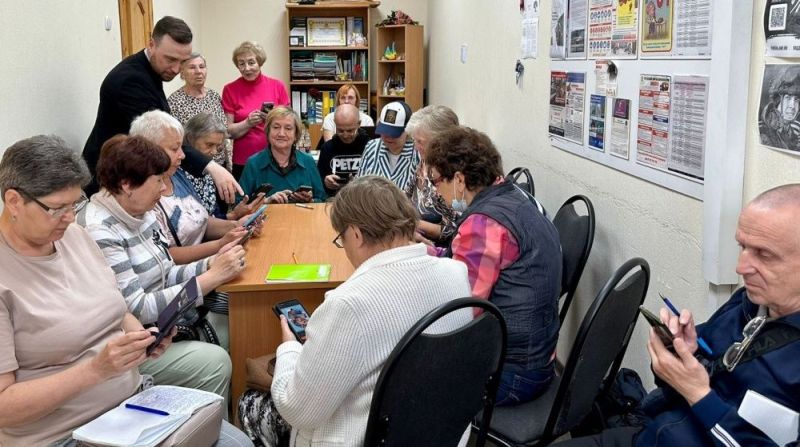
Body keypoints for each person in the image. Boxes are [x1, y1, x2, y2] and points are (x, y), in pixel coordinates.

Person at [0, 135, 251, 446]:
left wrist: (141, 341)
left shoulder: (75, 237)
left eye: (74, 204)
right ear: (14, 201)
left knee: (236, 442)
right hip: (62, 433)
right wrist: (95, 370)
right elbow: (4, 408)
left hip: (128, 407)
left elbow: (119, 309)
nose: (69, 217)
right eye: (56, 208)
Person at [557, 184, 800, 447]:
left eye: (764, 254)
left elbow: (697, 394)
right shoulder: (748, 304)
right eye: (743, 247)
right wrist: (679, 353)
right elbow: (675, 385)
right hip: (655, 435)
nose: (741, 267)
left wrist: (699, 395)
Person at [271, 176, 473, 446]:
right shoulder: (456, 273)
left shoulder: (348, 304)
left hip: (368, 438)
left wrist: (289, 350)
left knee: (252, 404)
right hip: (443, 432)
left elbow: (299, 411)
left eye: (341, 239)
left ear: (355, 234)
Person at [80, 134, 247, 416]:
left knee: (241, 321)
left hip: (164, 329)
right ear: (127, 185)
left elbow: (166, 271)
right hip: (133, 347)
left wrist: (211, 264)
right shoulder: (100, 230)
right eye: (157, 180)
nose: (162, 189)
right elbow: (137, 309)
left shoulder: (139, 211)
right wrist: (210, 278)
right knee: (216, 359)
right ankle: (202, 425)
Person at [425, 126, 562, 406]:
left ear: (459, 180)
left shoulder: (482, 225)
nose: (436, 192)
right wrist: (423, 252)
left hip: (513, 375)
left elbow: (462, 312)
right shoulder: (517, 196)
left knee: (403, 371)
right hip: (540, 355)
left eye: (437, 181)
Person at [82, 16, 240, 202]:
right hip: (110, 179)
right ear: (151, 44)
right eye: (170, 59)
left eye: (182, 62)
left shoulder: (151, 70)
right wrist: (211, 167)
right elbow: (160, 137)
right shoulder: (129, 81)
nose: (175, 69)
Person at [222, 41, 290, 178]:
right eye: (241, 64)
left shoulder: (277, 86)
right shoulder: (230, 89)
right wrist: (247, 123)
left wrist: (272, 118)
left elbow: (290, 124)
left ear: (260, 62)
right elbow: (228, 132)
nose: (247, 68)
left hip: (276, 157)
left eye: (251, 62)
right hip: (243, 161)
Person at [183, 112, 266, 218]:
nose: (214, 152)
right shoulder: (177, 173)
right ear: (190, 138)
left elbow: (213, 219)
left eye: (217, 146)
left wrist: (235, 214)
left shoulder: (209, 172)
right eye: (209, 145)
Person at [239, 106, 326, 203]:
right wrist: (266, 201)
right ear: (268, 131)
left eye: (288, 128)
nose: (281, 133)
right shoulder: (253, 163)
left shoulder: (308, 161)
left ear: (296, 134)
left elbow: (322, 200)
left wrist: (311, 201)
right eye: (276, 127)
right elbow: (238, 204)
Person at [405, 105, 461, 246]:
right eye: (414, 140)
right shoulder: (426, 161)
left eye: (420, 142)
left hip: (440, 251)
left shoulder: (454, 176)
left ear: (442, 141)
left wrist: (413, 224)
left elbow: (455, 230)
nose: (415, 147)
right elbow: (407, 195)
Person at [168, 52, 232, 171]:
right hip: (194, 166)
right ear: (182, 73)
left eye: (202, 66)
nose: (198, 71)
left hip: (220, 164)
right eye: (192, 67)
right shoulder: (174, 101)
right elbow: (176, 139)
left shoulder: (214, 96)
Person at [356, 101, 418, 191]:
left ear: (408, 130)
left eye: (394, 133)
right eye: (385, 131)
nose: (388, 137)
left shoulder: (417, 151)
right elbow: (358, 185)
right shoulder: (372, 147)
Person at [316, 104, 370, 197]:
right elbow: (318, 180)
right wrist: (325, 181)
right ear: (335, 123)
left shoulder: (370, 147)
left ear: (359, 124)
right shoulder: (327, 148)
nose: (345, 135)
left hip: (364, 199)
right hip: (334, 199)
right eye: (340, 130)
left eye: (350, 131)